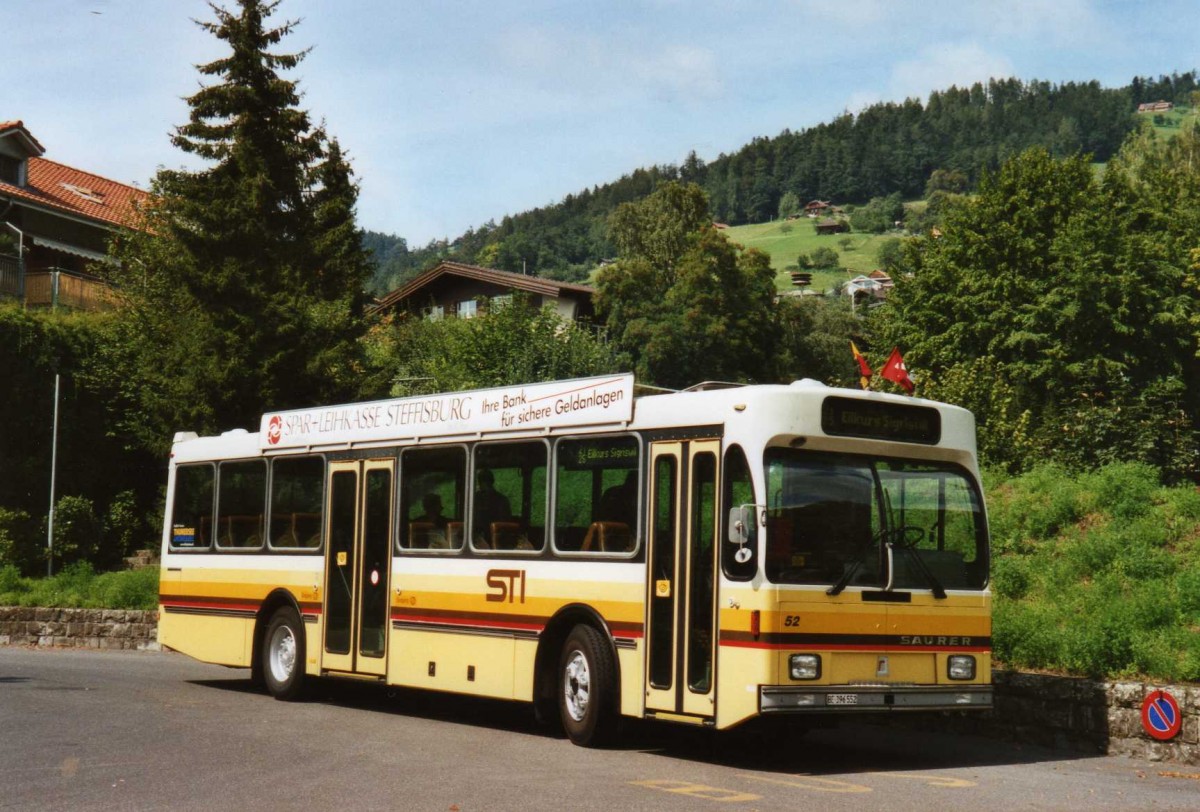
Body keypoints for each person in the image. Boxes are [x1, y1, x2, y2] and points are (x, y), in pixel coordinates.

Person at [473, 469, 512, 547]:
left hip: (486, 539)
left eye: (481, 481)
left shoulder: (476, 498)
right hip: (496, 540)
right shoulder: (503, 499)